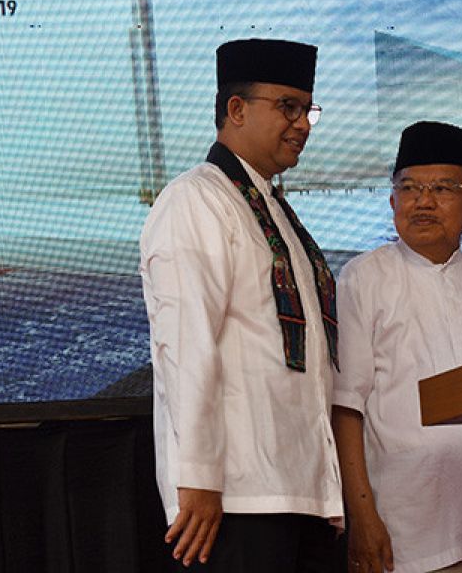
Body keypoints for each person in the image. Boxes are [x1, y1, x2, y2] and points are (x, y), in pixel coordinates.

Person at [140, 38, 342, 571]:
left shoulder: (272, 208)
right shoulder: (197, 198)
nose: (301, 124)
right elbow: (186, 347)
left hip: (299, 490)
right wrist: (200, 479)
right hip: (235, 497)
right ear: (236, 109)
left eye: (307, 110)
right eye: (287, 107)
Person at [332, 121, 462, 573]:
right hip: (411, 520)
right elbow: (346, 408)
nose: (423, 201)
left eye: (444, 188)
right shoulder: (363, 279)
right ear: (392, 201)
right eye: (409, 187)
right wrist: (362, 518)